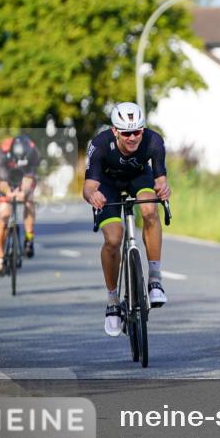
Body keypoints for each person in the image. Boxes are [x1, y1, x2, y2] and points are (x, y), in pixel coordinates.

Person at [82, 102, 171, 337]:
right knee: (113, 239)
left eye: (137, 131)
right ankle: (112, 303)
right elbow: (89, 187)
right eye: (126, 133)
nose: (132, 137)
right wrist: (93, 195)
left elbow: (160, 178)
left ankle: (155, 279)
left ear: (143, 129)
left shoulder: (154, 141)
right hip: (108, 185)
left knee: (151, 211)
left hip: (139, 177)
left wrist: (163, 188)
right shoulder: (99, 145)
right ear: (115, 131)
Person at [0, 134, 40, 275]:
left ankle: (29, 238)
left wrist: (23, 193)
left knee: (29, 201)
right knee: (5, 214)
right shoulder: (2, 151)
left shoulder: (33, 152)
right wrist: (8, 192)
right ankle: (0, 255)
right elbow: (2, 180)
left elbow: (29, 178)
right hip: (4, 178)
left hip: (23, 178)